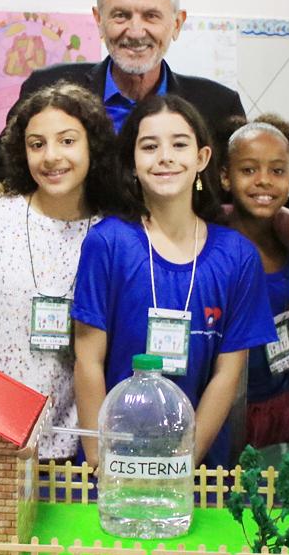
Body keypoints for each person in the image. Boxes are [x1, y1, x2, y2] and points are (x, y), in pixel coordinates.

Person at [72, 95, 275, 469]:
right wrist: (98, 459)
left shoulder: (237, 256)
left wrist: (182, 464)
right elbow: (88, 360)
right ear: (132, 162)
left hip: (196, 465)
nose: (165, 156)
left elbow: (227, 376)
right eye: (149, 146)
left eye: (179, 144)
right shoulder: (108, 243)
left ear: (202, 158)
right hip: (114, 463)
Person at [0, 0, 244, 210]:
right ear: (99, 20)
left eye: (151, 16)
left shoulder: (216, 106)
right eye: (121, 15)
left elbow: (252, 185)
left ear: (177, 24)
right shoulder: (49, 88)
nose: (135, 31)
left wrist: (287, 225)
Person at [0, 83, 121, 460]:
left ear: (93, 145)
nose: (51, 156)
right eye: (37, 144)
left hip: (65, 448)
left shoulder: (113, 236)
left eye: (67, 141)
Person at [219, 114, 289, 448]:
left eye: (277, 170)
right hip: (228, 408)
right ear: (226, 177)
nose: (264, 181)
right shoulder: (213, 245)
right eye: (248, 169)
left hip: (285, 407)